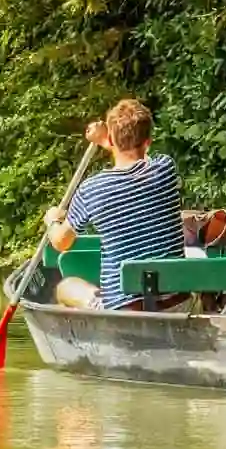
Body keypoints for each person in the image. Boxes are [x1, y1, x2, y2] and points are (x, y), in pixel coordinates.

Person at [44, 100, 192, 310]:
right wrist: (108, 140)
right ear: (148, 141)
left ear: (112, 139)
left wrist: (52, 220)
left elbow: (61, 243)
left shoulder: (91, 189)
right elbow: (140, 156)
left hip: (125, 310)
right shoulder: (164, 169)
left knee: (66, 287)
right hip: (176, 304)